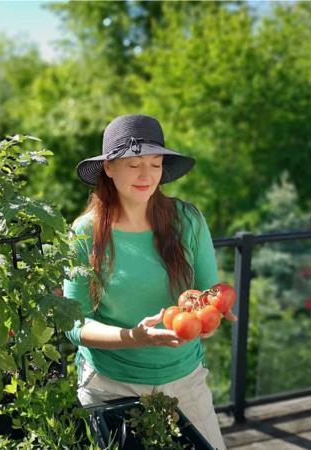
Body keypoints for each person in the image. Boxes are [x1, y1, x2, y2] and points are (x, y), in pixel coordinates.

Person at [62, 114, 234, 450]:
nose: (147, 175)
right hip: (111, 386)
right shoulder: (85, 233)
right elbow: (73, 322)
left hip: (185, 381)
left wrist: (212, 315)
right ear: (108, 168)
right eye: (134, 164)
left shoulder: (188, 220)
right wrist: (134, 338)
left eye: (155, 164)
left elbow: (210, 291)